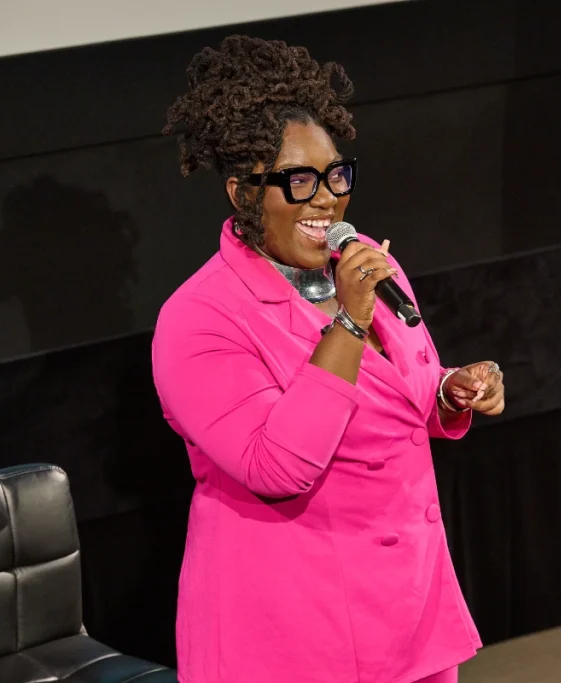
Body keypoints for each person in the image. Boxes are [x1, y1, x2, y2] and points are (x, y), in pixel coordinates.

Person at [152, 35, 506, 683]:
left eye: (337, 174)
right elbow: (277, 465)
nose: (326, 199)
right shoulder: (199, 318)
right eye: (299, 180)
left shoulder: (366, 260)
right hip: (292, 627)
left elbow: (403, 391)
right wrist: (348, 321)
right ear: (242, 193)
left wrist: (451, 388)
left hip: (406, 605)